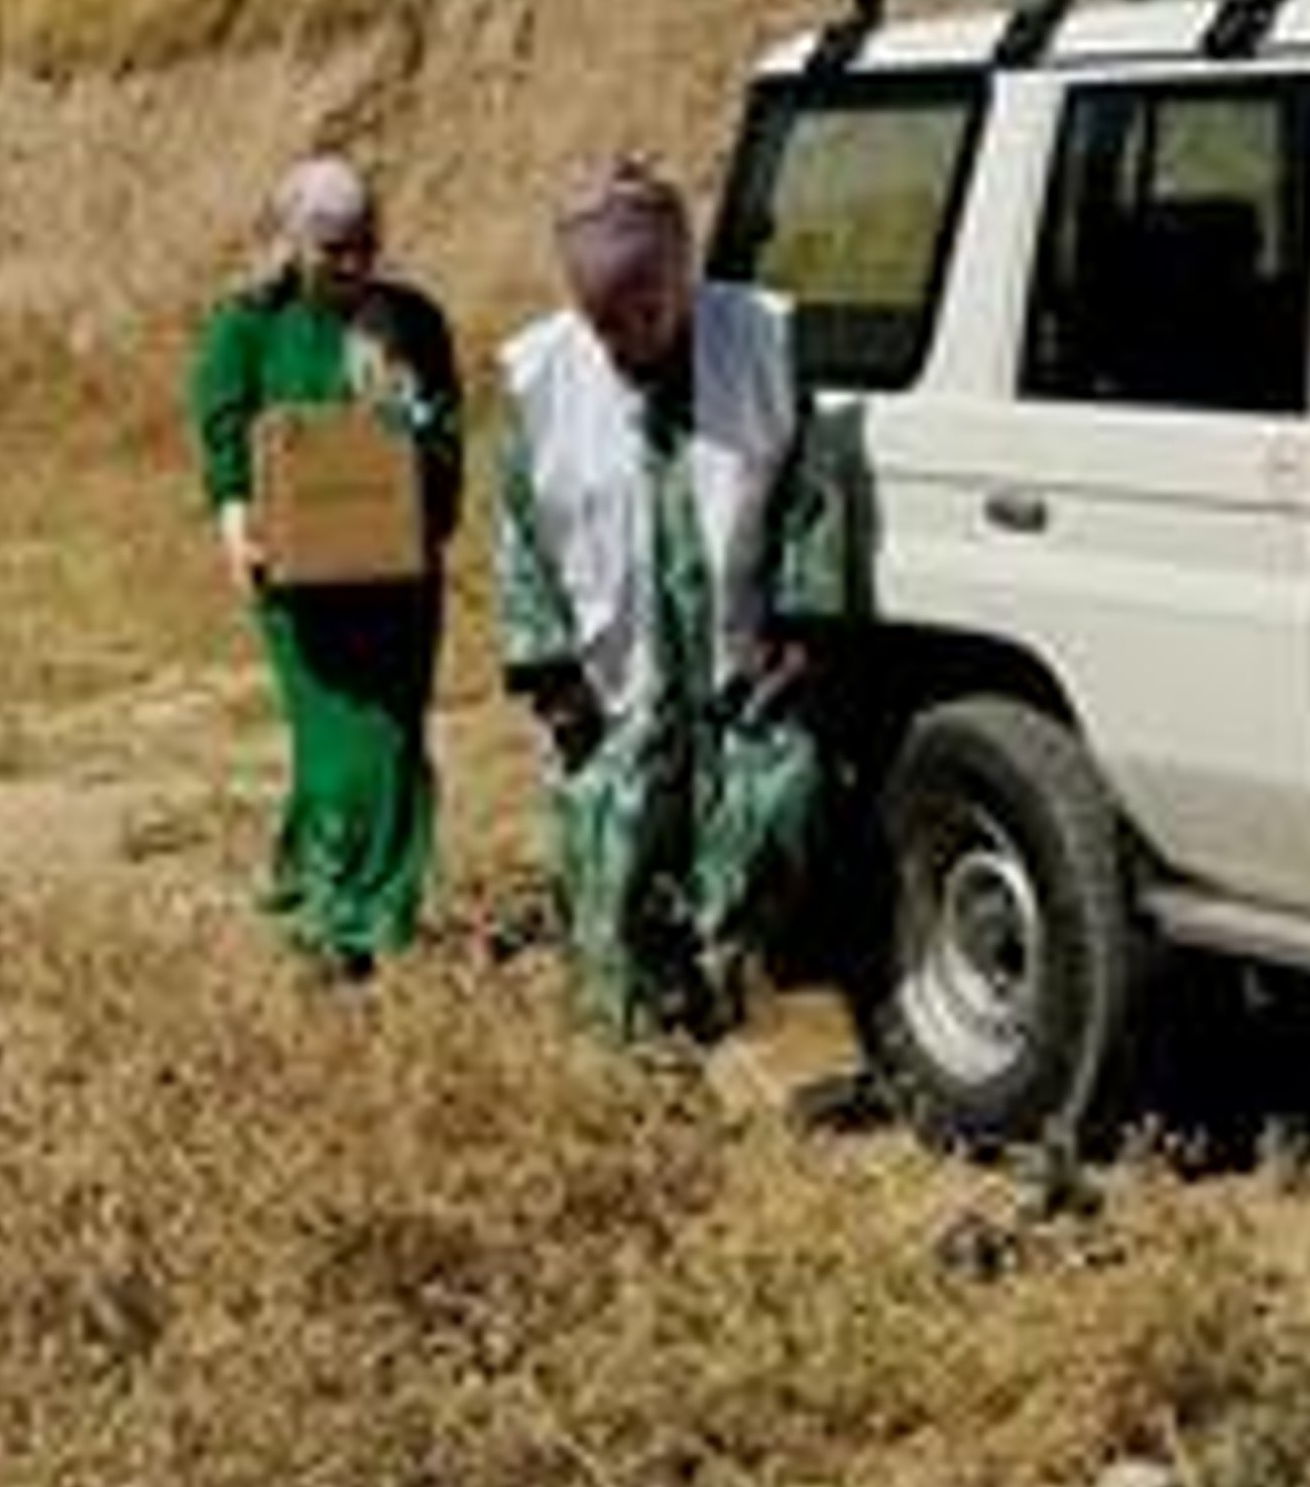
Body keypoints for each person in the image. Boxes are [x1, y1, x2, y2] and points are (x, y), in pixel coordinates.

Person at [492, 158, 845, 1040]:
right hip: (614, 672)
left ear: (684, 272)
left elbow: (815, 489)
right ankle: (629, 1037)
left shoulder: (763, 338)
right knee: (613, 838)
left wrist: (804, 622)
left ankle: (744, 1002)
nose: (622, 340)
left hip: (744, 661)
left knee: (770, 814)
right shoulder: (541, 377)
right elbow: (519, 528)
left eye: (642, 314)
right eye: (602, 323)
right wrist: (547, 666)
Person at [187, 151, 462, 972]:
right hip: (300, 584)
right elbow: (225, 431)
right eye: (333, 247)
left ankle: (382, 916)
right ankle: (326, 904)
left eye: (364, 243)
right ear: (293, 242)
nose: (352, 263)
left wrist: (412, 458)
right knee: (336, 744)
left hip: (398, 580)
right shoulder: (247, 324)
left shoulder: (412, 319)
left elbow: (447, 427)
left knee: (394, 735)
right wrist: (238, 521)